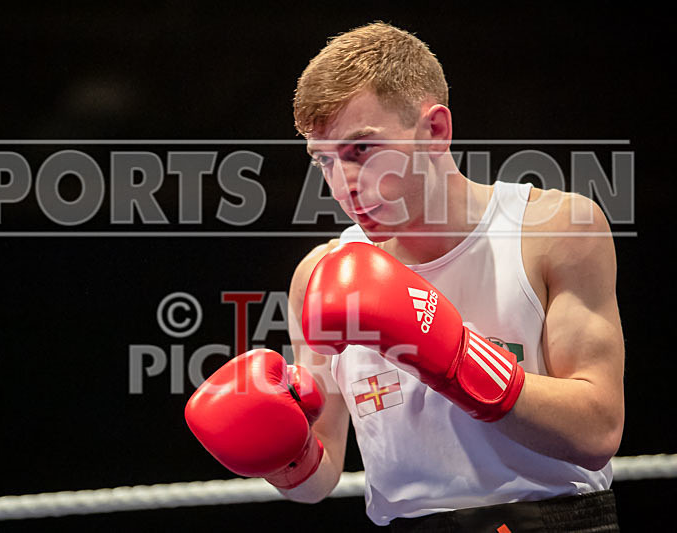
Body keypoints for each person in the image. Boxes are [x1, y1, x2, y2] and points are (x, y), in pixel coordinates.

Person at [186, 22, 624, 531]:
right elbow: (319, 478)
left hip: (550, 519)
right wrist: (281, 452)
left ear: (435, 130)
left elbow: (598, 432)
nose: (343, 185)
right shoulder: (320, 274)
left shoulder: (553, 231)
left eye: (361, 150)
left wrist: (454, 358)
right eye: (324, 160)